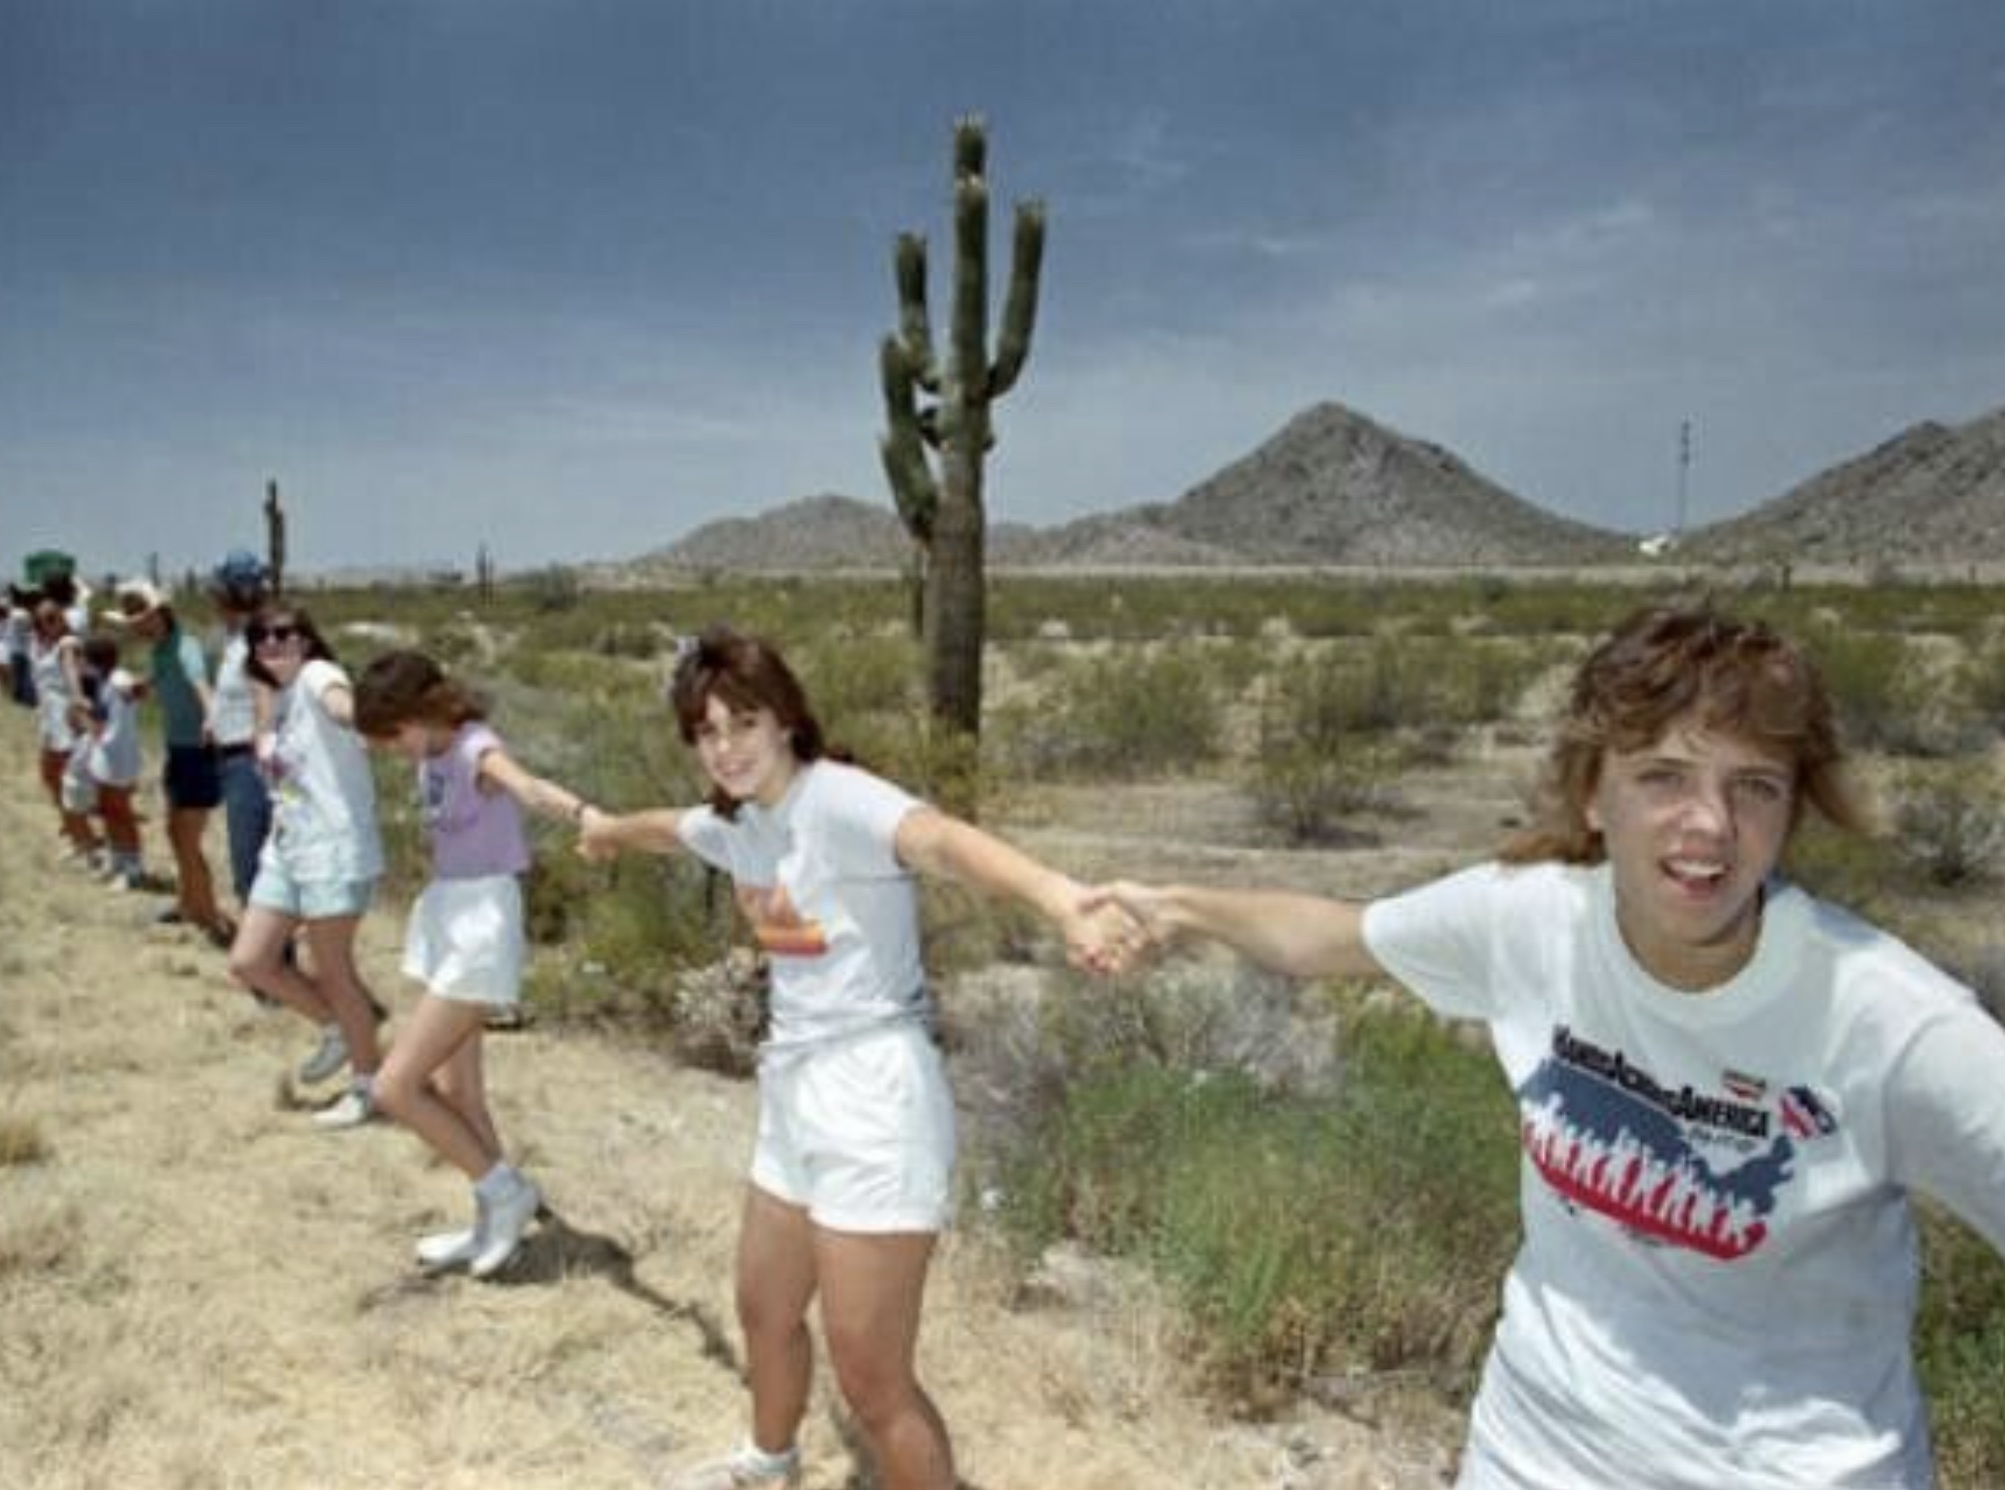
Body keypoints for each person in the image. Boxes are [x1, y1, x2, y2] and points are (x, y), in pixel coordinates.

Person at [1088, 603, 2005, 1490]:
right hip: (1538, 1453)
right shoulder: (1531, 918)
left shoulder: (1887, 1020)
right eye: (1664, 777)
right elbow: (1332, 937)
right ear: (1592, 794)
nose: (1710, 825)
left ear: (1793, 812)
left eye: (1753, 787)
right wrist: (1174, 909)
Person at [578, 624, 1127, 1490]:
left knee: (874, 1383)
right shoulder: (742, 823)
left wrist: (1059, 899)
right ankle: (769, 1461)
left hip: (876, 1099)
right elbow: (669, 831)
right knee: (763, 1310)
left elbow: (939, 840)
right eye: (706, 733)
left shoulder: (836, 799)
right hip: (795, 1095)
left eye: (743, 724)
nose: (725, 749)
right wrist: (607, 830)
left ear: (787, 721)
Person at [353, 649, 594, 1279]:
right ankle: (493, 1218)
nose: (393, 749)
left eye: (394, 734)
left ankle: (506, 1191)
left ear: (424, 711)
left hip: (482, 921)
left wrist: (588, 818)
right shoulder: (431, 754)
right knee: (460, 1091)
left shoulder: (472, 750)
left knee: (394, 1085)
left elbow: (527, 786)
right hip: (446, 911)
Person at [223, 604, 388, 1128]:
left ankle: (368, 1087)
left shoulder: (319, 676)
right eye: (259, 637)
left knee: (334, 972)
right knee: (251, 961)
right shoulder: (280, 698)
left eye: (282, 634)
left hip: (333, 851)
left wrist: (367, 716)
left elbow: (343, 707)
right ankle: (337, 1028)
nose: (270, 644)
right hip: (288, 847)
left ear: (307, 639)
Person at [110, 578, 231, 945]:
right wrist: (142, 688)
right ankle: (188, 903)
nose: (138, 628)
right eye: (132, 623)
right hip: (178, 750)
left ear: (161, 614)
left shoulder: (185, 646)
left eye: (142, 620)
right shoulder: (162, 651)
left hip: (198, 752)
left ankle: (210, 918)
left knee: (187, 837)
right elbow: (165, 678)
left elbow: (199, 683)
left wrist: (211, 716)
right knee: (174, 833)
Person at [206, 550, 276, 915]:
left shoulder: (255, 640)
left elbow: (264, 697)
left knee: (253, 868)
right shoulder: (236, 640)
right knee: (251, 867)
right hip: (234, 761)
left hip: (251, 764)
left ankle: (271, 961)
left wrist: (263, 746)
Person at [29, 599, 101, 865]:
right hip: (49, 719)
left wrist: (78, 698)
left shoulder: (67, 644)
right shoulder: (44, 646)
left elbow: (73, 674)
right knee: (50, 777)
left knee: (66, 782)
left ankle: (87, 842)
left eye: (52, 617)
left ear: (61, 617)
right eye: (42, 619)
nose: (48, 623)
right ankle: (75, 834)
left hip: (64, 719)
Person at [77, 633, 149, 890]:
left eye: (84, 658)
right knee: (107, 809)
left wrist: (82, 716)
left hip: (118, 755)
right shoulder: (103, 680)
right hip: (105, 753)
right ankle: (117, 858)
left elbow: (135, 694)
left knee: (121, 812)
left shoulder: (119, 680)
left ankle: (134, 867)